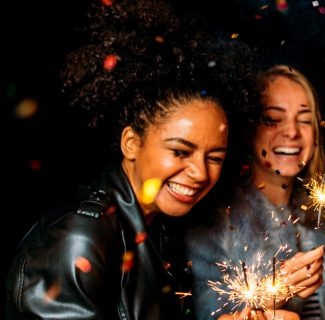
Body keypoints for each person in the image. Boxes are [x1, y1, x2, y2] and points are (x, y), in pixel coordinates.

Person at [3, 0, 264, 319]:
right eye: (180, 151)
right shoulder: (80, 239)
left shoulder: (157, 229)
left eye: (215, 156)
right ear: (131, 143)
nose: (199, 172)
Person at [186, 64, 325, 320]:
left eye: (304, 120)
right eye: (273, 119)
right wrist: (269, 295)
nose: (292, 132)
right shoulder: (216, 220)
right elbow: (208, 313)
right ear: (249, 129)